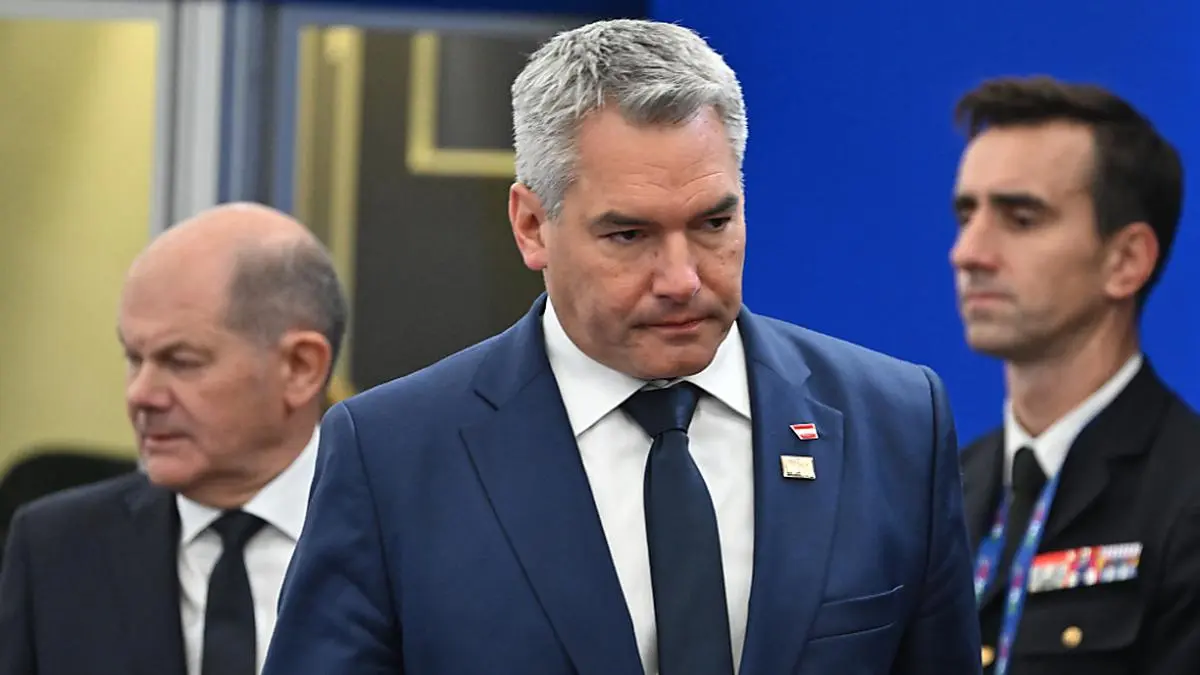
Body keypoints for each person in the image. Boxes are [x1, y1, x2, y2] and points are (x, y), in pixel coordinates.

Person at [264, 19, 981, 675]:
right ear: (531, 226)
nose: (682, 278)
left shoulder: (895, 424)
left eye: (713, 223)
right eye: (629, 234)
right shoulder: (393, 456)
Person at [0, 203, 348, 675]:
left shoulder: (405, 543)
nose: (141, 395)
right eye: (134, 358)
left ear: (300, 368)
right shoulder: (55, 550)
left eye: (181, 362)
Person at [951, 76, 1200, 675]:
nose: (968, 253)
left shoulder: (1188, 496)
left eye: (1021, 218)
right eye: (966, 214)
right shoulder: (944, 491)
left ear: (1126, 260)